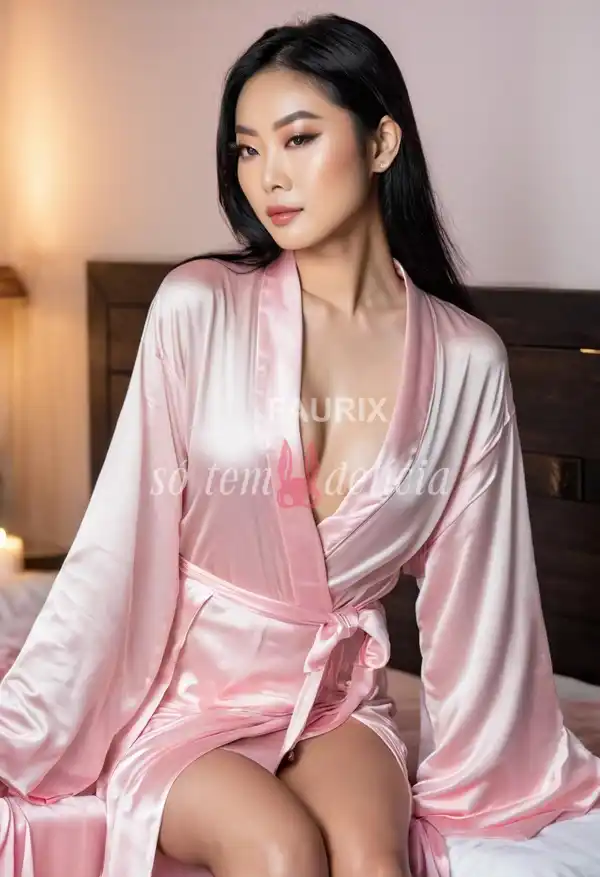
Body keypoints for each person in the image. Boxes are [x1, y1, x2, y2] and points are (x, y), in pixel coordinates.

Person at [1, 12, 599, 877]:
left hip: (335, 700)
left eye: (298, 139)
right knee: (279, 849)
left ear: (382, 141)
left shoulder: (467, 362)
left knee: (372, 859)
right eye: (247, 150)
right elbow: (120, 547)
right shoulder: (198, 307)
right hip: (185, 695)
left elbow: (481, 597)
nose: (268, 177)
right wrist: (33, 727)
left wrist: (497, 768)